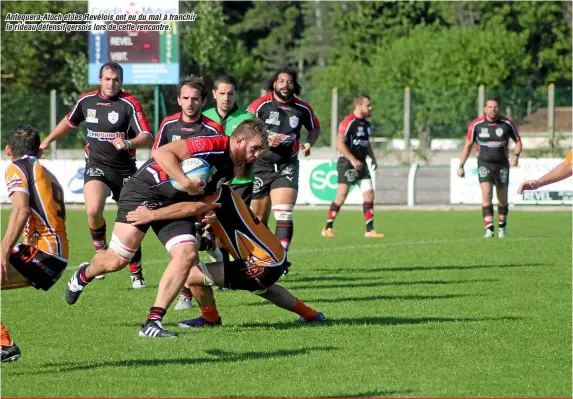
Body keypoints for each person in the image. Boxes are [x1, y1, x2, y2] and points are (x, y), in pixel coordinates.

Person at [64, 119, 268, 338]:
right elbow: (162, 153)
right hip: (143, 192)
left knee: (187, 254)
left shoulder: (233, 167)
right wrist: (185, 181)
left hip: (174, 203)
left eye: (259, 150)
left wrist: (205, 210)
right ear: (239, 141)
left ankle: (153, 321)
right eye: (254, 148)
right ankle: (84, 274)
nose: (256, 155)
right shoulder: (213, 144)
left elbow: (204, 197)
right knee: (117, 261)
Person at [126, 184, 327, 327]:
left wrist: (153, 214)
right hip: (273, 259)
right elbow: (218, 241)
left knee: (190, 275)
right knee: (264, 289)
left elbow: (191, 213)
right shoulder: (225, 194)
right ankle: (311, 315)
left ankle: (210, 318)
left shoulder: (210, 201)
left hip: (261, 263)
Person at [39, 61, 153, 289]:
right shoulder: (87, 101)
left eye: (117, 79)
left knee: (130, 220)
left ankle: (136, 270)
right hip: (96, 165)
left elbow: (148, 137)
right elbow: (69, 122)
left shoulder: (129, 103)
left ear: (122, 81)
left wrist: (128, 142)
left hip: (124, 170)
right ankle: (101, 253)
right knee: (92, 210)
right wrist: (47, 140)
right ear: (100, 80)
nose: (112, 83)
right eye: (108, 79)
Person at [153, 74, 227, 309]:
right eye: (185, 98)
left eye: (195, 98)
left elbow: (220, 163)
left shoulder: (212, 128)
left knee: (189, 244)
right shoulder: (168, 125)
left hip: (200, 193)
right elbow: (157, 157)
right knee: (185, 245)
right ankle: (211, 247)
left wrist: (210, 197)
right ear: (179, 99)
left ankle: (186, 293)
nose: (190, 103)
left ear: (203, 101)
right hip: (173, 193)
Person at [1, 126, 69, 362]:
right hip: (52, 254)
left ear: (9, 150)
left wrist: (4, 249)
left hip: (44, 253)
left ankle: (4, 344)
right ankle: (4, 345)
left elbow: (20, 211)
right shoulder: (45, 171)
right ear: (38, 151)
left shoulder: (16, 168)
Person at [247, 67, 320, 257]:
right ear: (274, 83)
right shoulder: (260, 105)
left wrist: (309, 144)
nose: (285, 85)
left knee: (284, 213)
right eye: (281, 81)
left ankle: (281, 258)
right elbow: (245, 130)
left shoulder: (302, 108)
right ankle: (263, 257)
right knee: (259, 219)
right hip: (260, 166)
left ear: (294, 85)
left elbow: (314, 129)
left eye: (289, 81)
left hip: (287, 165)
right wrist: (264, 140)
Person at [457, 96, 522, 238]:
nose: (493, 110)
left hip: (502, 165)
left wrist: (516, 156)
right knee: (486, 194)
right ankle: (489, 229)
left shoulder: (506, 124)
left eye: (496, 107)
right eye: (490, 107)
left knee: (502, 198)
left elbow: (518, 141)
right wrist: (461, 165)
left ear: (499, 108)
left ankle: (502, 228)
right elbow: (468, 145)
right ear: (485, 109)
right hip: (484, 164)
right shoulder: (477, 125)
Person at [321, 95, 384, 238]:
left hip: (362, 164)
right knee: (341, 196)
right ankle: (328, 227)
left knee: (369, 194)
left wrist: (372, 158)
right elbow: (339, 143)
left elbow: (365, 144)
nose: (370, 108)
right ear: (359, 106)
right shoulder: (348, 122)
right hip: (347, 164)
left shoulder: (366, 124)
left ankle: (369, 230)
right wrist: (353, 160)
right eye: (368, 105)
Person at [203, 75, 256, 205]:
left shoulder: (248, 118)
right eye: (222, 93)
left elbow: (259, 147)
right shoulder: (204, 117)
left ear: (236, 94)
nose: (226, 98)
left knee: (236, 223)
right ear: (214, 94)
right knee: (210, 223)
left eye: (230, 94)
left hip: (241, 182)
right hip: (210, 181)